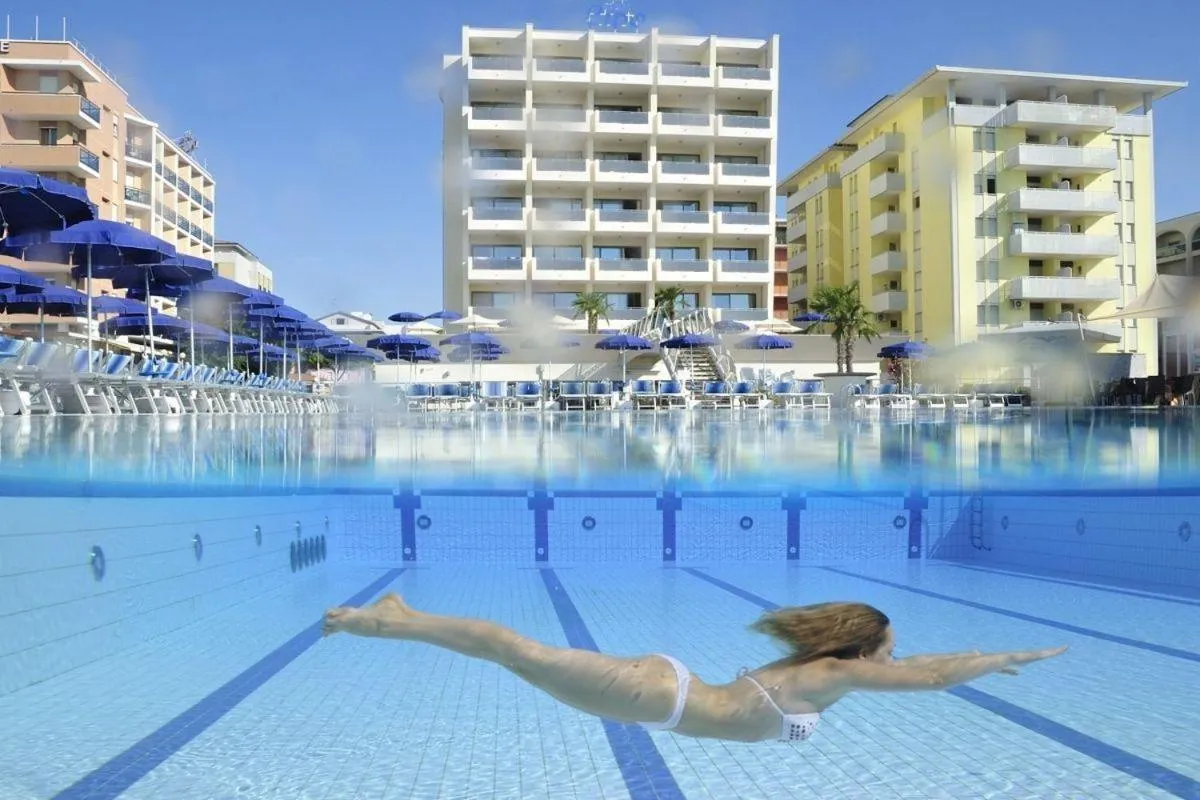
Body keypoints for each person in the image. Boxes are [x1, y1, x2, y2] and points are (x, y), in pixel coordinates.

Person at [323, 594, 1067, 743]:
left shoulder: (827, 670)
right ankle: (386, 620)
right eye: (889, 646)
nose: (895, 657)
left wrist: (971, 659)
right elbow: (927, 679)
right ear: (862, 652)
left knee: (516, 660)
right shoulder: (834, 677)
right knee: (515, 650)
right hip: (658, 697)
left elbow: (927, 666)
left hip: (663, 693)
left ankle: (403, 620)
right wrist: (1003, 656)